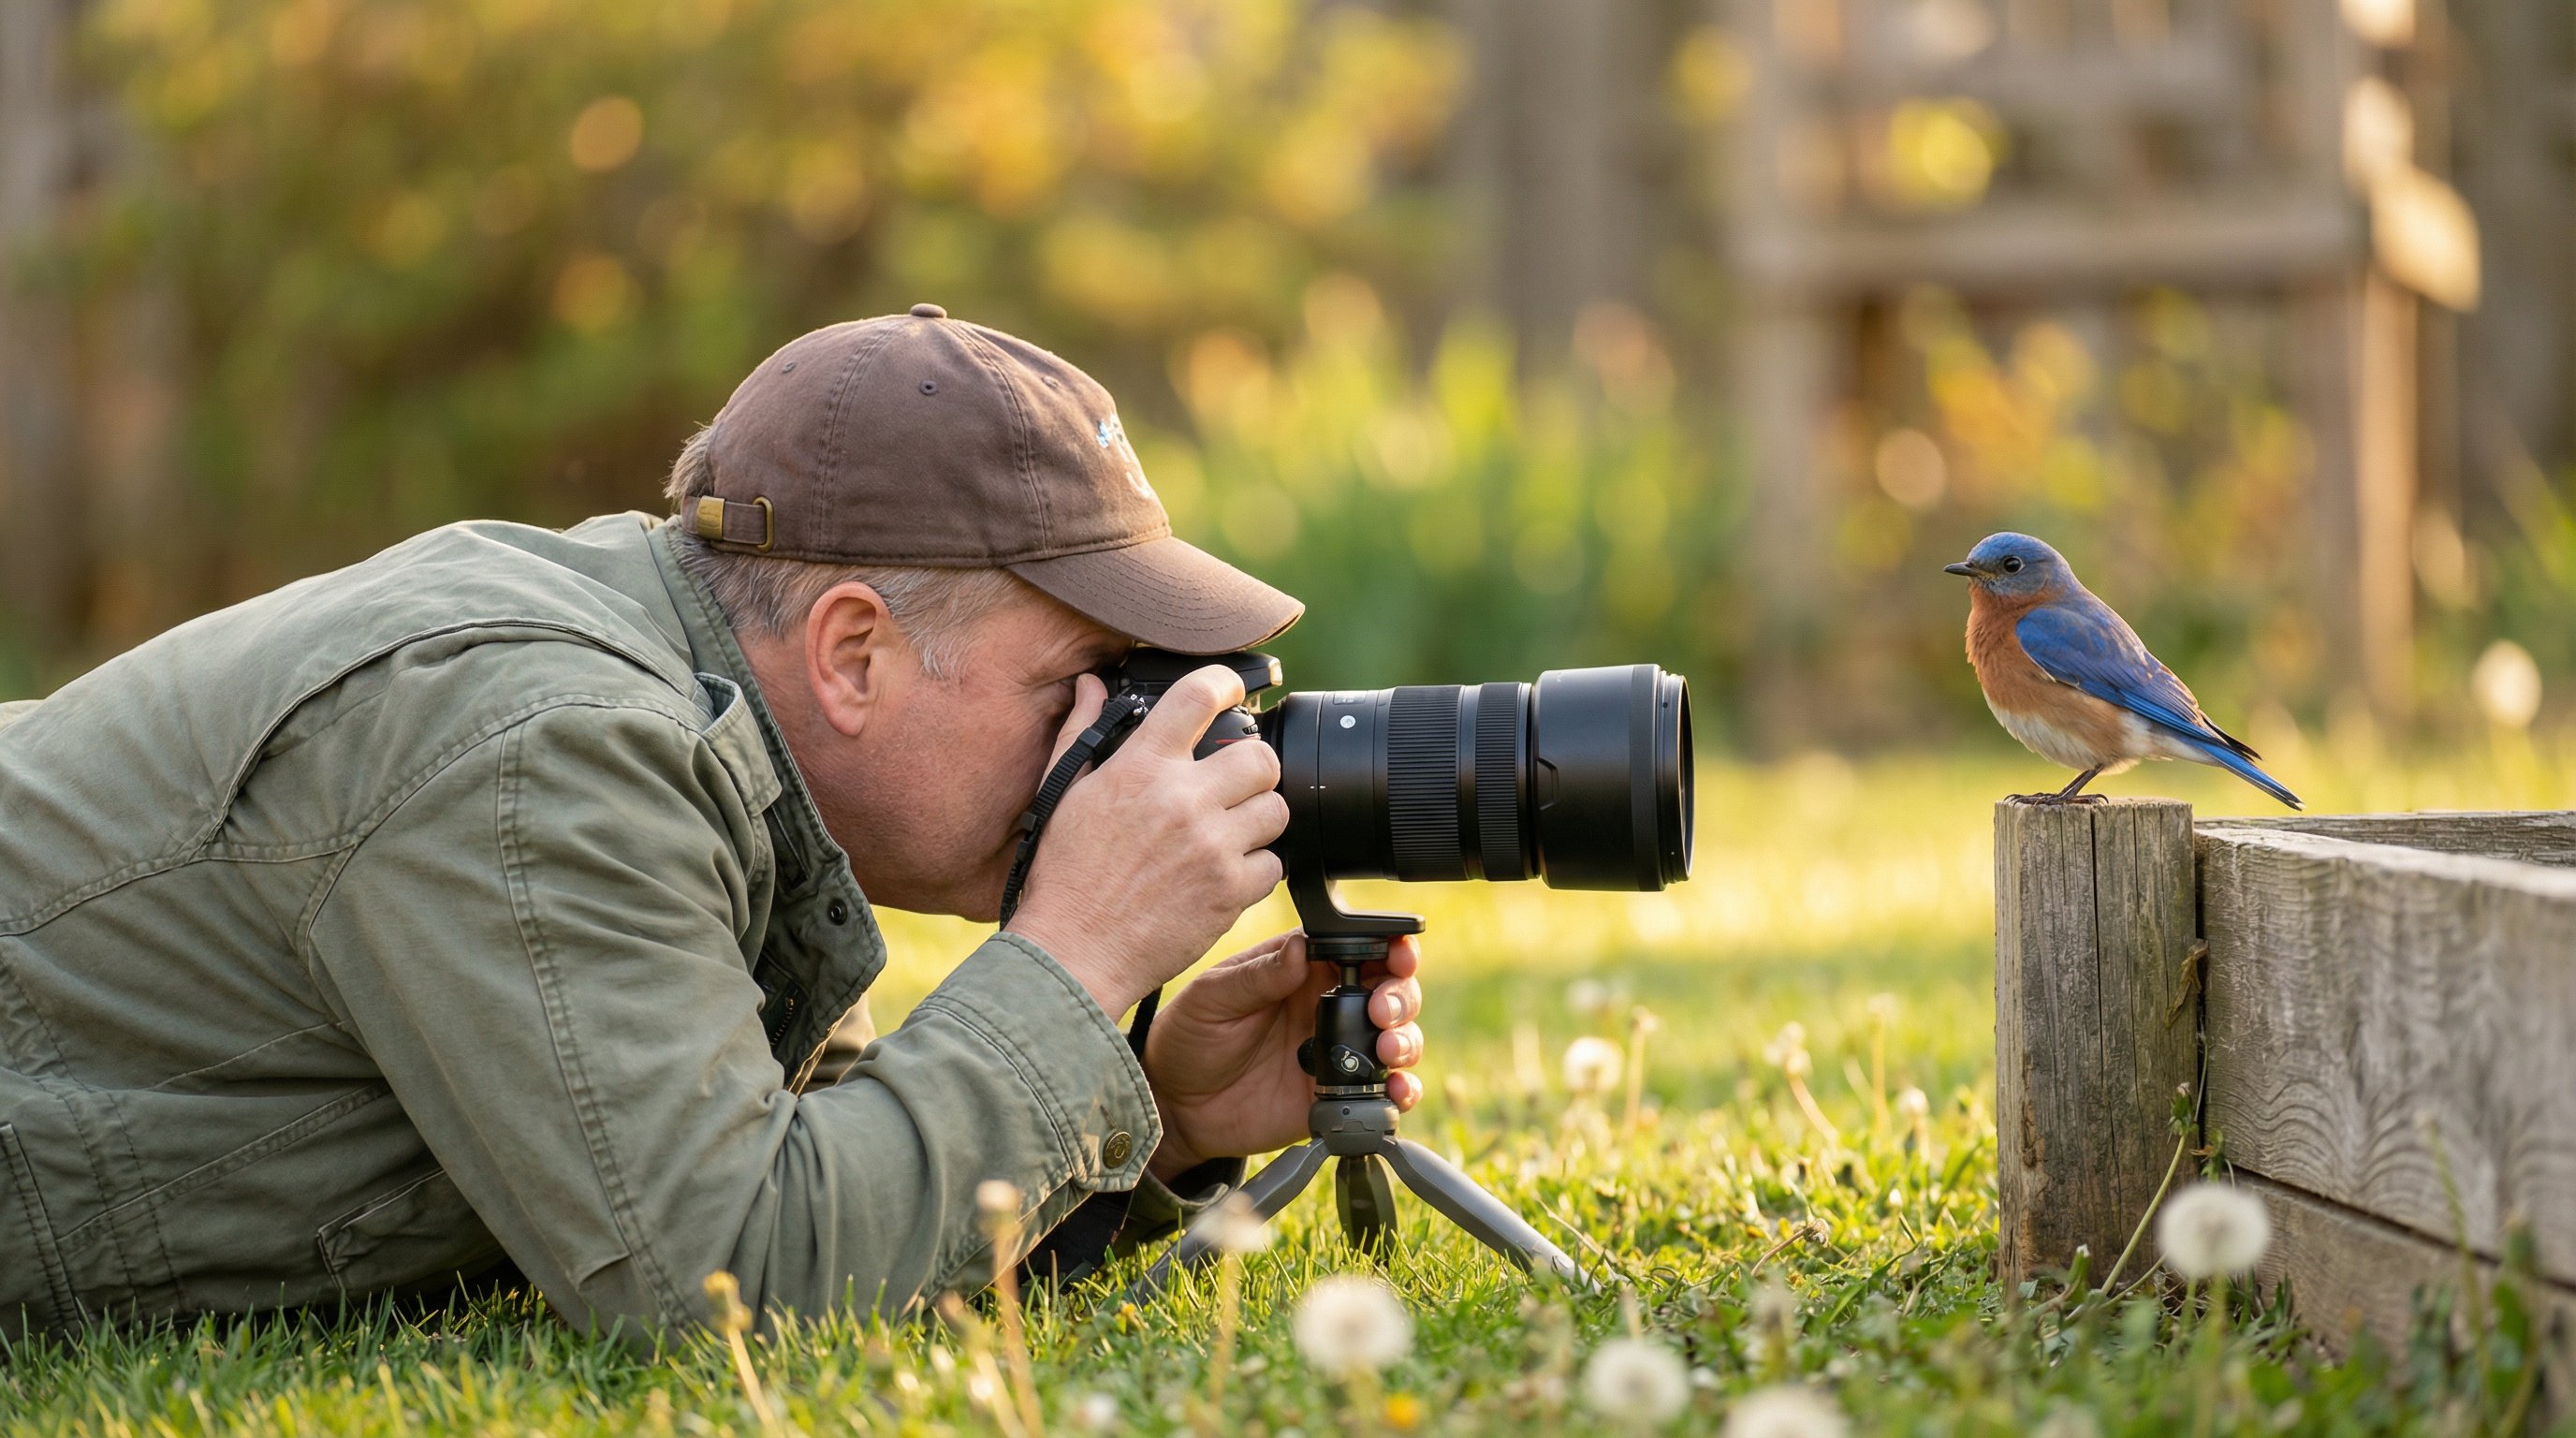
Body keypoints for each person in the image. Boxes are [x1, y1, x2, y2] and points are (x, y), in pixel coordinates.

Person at [0, 304, 1427, 1340]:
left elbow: (832, 1187)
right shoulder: (549, 750)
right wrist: (1078, 962)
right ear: (853, 652)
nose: (1117, 739)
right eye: (1079, 686)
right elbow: (735, 1277)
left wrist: (1162, 1117)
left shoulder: (697, 726)